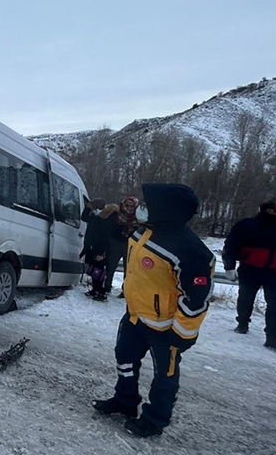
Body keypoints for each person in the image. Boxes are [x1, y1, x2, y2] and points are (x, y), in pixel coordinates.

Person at [92, 183, 214, 437]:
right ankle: (125, 401)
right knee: (124, 358)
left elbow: (197, 298)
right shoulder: (144, 231)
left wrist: (183, 334)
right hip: (135, 316)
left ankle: (155, 419)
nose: (142, 208)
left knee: (164, 377)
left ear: (166, 210)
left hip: (165, 327)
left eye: (148, 204)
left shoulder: (191, 250)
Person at [222, 198, 276, 353]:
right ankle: (242, 323)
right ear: (270, 210)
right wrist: (229, 266)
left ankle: (272, 338)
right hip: (250, 269)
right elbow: (231, 245)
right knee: (245, 298)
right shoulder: (248, 226)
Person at [102, 196, 140, 299]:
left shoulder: (139, 217)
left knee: (128, 269)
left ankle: (125, 290)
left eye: (132, 206)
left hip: (130, 244)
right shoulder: (116, 213)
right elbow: (107, 225)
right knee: (111, 266)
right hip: (115, 242)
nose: (129, 208)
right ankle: (106, 287)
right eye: (127, 205)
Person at [80, 199, 118, 301]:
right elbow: (85, 218)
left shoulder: (106, 218)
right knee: (94, 268)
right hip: (93, 245)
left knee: (99, 270)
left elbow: (105, 236)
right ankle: (95, 289)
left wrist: (101, 252)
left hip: (100, 248)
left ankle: (101, 291)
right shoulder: (98, 217)